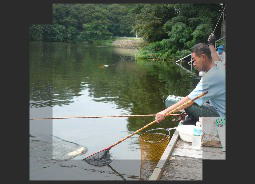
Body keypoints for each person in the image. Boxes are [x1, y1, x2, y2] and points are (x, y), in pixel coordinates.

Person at [155, 43, 225, 125]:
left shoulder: (211, 77)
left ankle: (214, 128)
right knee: (193, 103)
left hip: (223, 121)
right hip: (220, 109)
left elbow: (189, 100)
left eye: (194, 60)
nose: (193, 64)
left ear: (203, 57)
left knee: (187, 105)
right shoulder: (219, 66)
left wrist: (165, 112)